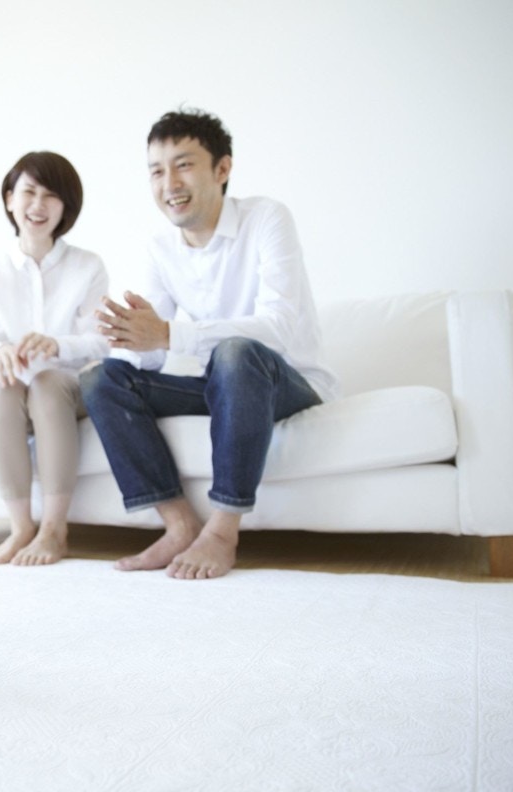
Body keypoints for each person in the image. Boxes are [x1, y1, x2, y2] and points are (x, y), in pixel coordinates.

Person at [80, 108, 338, 580]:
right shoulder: (160, 248)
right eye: (157, 171)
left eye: (183, 164)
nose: (168, 182)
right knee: (103, 378)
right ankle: (178, 525)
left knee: (235, 352)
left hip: (285, 383)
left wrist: (169, 332)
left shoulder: (267, 218)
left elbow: (278, 326)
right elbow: (154, 353)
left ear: (222, 169)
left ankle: (222, 531)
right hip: (218, 385)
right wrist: (128, 336)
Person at [0, 152, 109, 566]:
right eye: (29, 192)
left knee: (48, 383)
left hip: (71, 388)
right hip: (18, 389)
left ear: (65, 207)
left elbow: (102, 343)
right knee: (1, 390)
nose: (38, 205)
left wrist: (58, 346)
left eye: (51, 196)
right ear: (10, 198)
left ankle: (54, 529)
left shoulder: (88, 265)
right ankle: (21, 529)